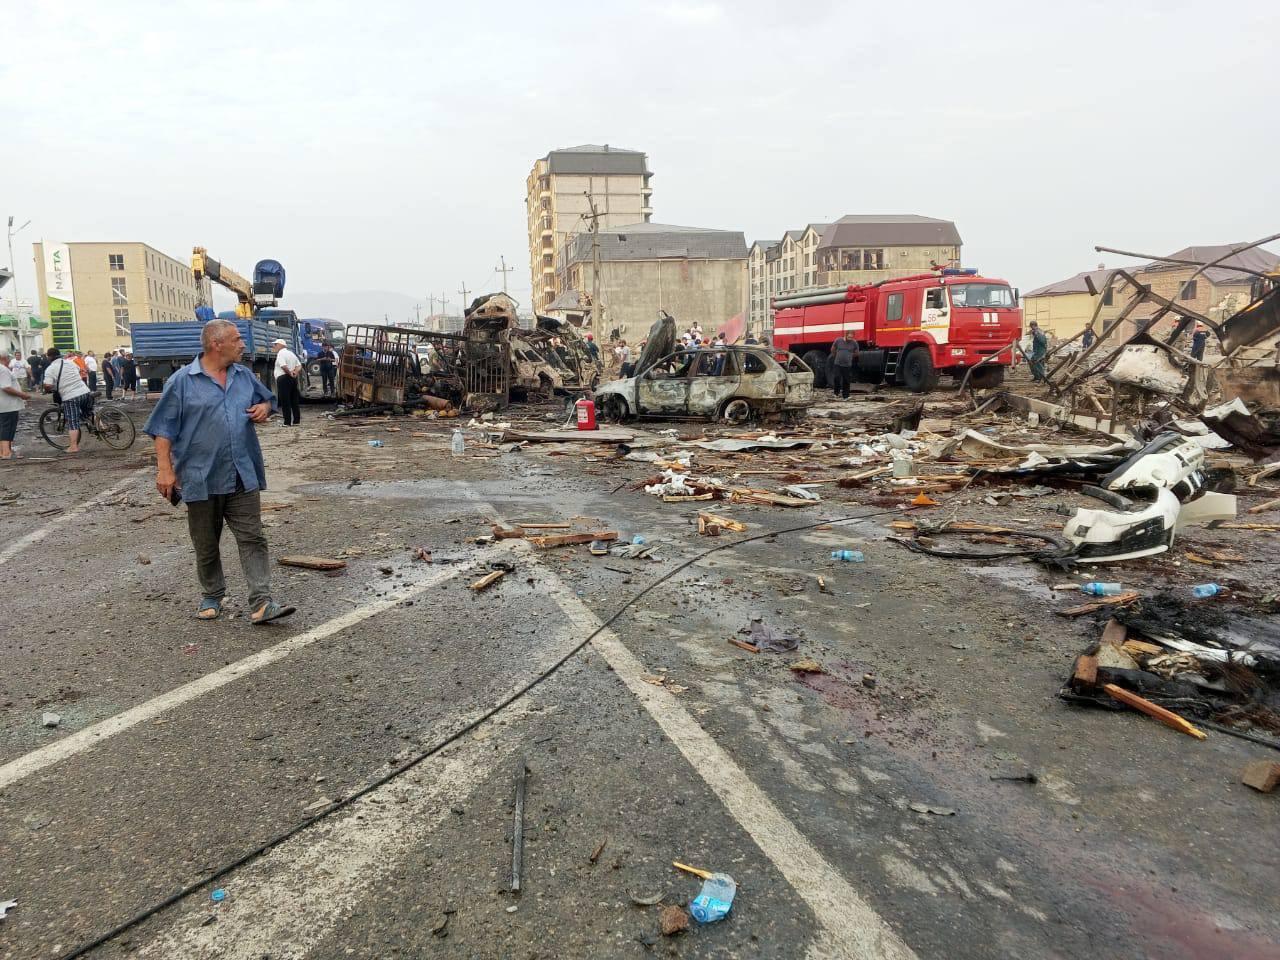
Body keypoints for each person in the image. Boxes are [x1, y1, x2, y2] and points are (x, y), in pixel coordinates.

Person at [144, 319, 294, 625]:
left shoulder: (243, 376)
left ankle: (262, 601)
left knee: (253, 537)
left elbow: (267, 399)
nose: (243, 344)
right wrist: (165, 470)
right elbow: (163, 430)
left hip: (242, 471)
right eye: (237, 339)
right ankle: (212, 594)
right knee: (206, 541)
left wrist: (265, 408)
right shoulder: (182, 381)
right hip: (201, 475)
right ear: (217, 344)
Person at [42, 347, 93, 453]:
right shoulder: (70, 363)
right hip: (85, 391)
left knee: (73, 421)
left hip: (71, 396)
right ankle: (103, 427)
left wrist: (47, 389)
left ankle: (73, 447)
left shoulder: (50, 369)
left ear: (49, 357)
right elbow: (79, 370)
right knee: (89, 413)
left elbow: (48, 384)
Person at [0, 351, 32, 459]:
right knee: (7, 428)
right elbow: (6, 387)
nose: (10, 360)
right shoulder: (3, 370)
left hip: (4, 404)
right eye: (8, 358)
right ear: (4, 358)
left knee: (4, 427)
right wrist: (22, 395)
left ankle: (4, 451)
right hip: (7, 404)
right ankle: (6, 452)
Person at [271, 338, 302, 425]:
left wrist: (289, 373)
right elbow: (299, 365)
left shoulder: (280, 354)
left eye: (276, 344)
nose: (274, 346)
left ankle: (287, 422)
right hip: (292, 378)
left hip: (283, 378)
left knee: (285, 401)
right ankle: (296, 421)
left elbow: (283, 366)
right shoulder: (291, 353)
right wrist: (295, 372)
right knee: (294, 400)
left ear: (281, 345)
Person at [829, 330, 859, 399]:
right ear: (846, 335)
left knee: (846, 380)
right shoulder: (838, 340)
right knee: (837, 377)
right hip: (838, 363)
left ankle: (846, 396)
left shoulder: (854, 343)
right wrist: (836, 355)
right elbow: (833, 349)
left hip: (847, 365)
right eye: (849, 337)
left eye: (851, 337)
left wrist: (850, 356)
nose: (850, 339)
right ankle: (836, 393)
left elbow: (857, 352)